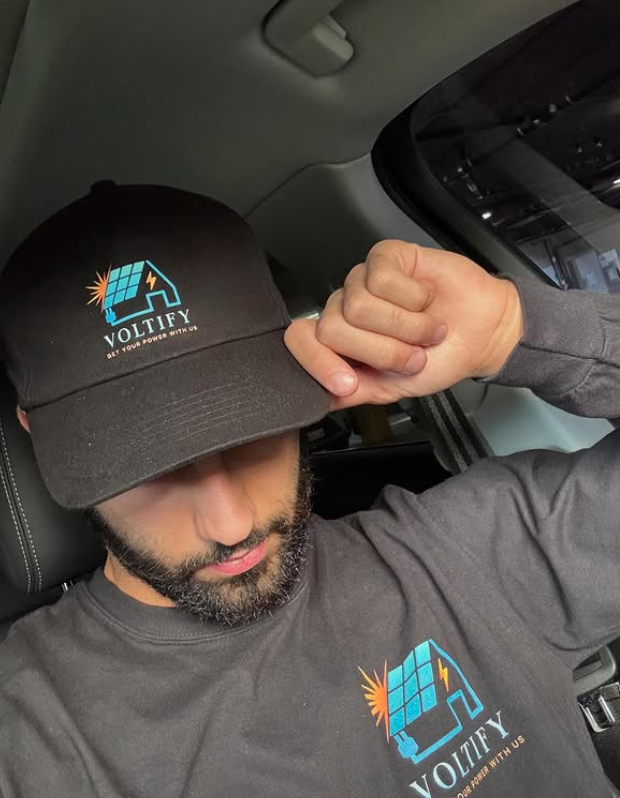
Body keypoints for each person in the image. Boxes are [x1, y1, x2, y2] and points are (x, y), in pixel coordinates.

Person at [0, 182, 618, 798]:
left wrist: (517, 330)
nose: (231, 523)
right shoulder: (34, 729)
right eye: (147, 467)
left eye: (251, 432)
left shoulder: (463, 554)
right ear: (35, 434)